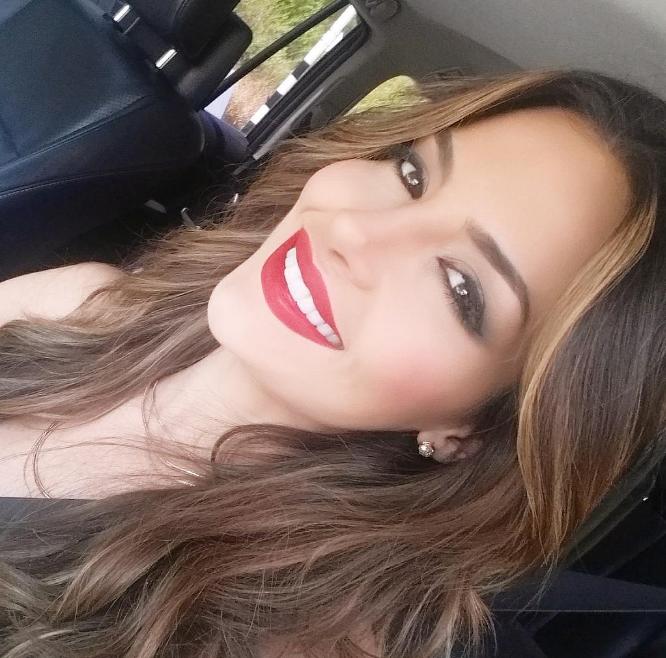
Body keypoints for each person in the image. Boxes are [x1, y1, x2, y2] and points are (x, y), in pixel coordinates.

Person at [0, 67, 664, 658]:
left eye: (461, 287)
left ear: (475, 430)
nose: (354, 232)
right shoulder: (74, 304)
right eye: (412, 173)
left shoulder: (288, 636)